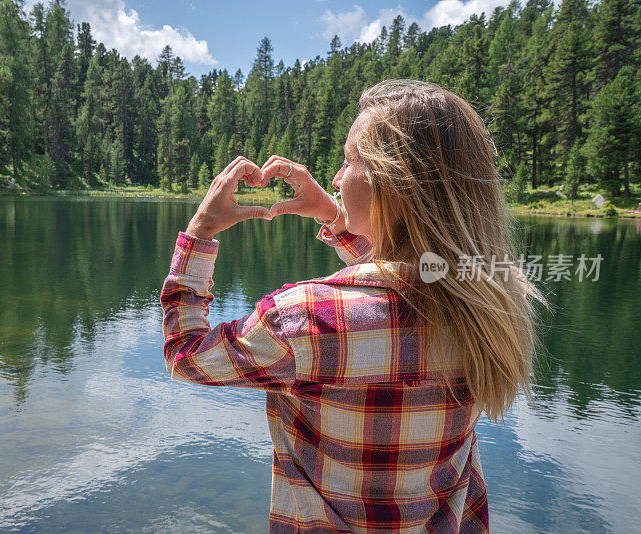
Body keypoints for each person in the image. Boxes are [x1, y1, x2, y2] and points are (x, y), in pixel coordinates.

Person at [160, 79, 546, 533]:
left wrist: (200, 234)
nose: (338, 179)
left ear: (395, 183)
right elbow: (413, 273)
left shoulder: (301, 322)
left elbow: (184, 354)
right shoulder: (496, 299)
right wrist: (334, 215)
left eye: (348, 161)